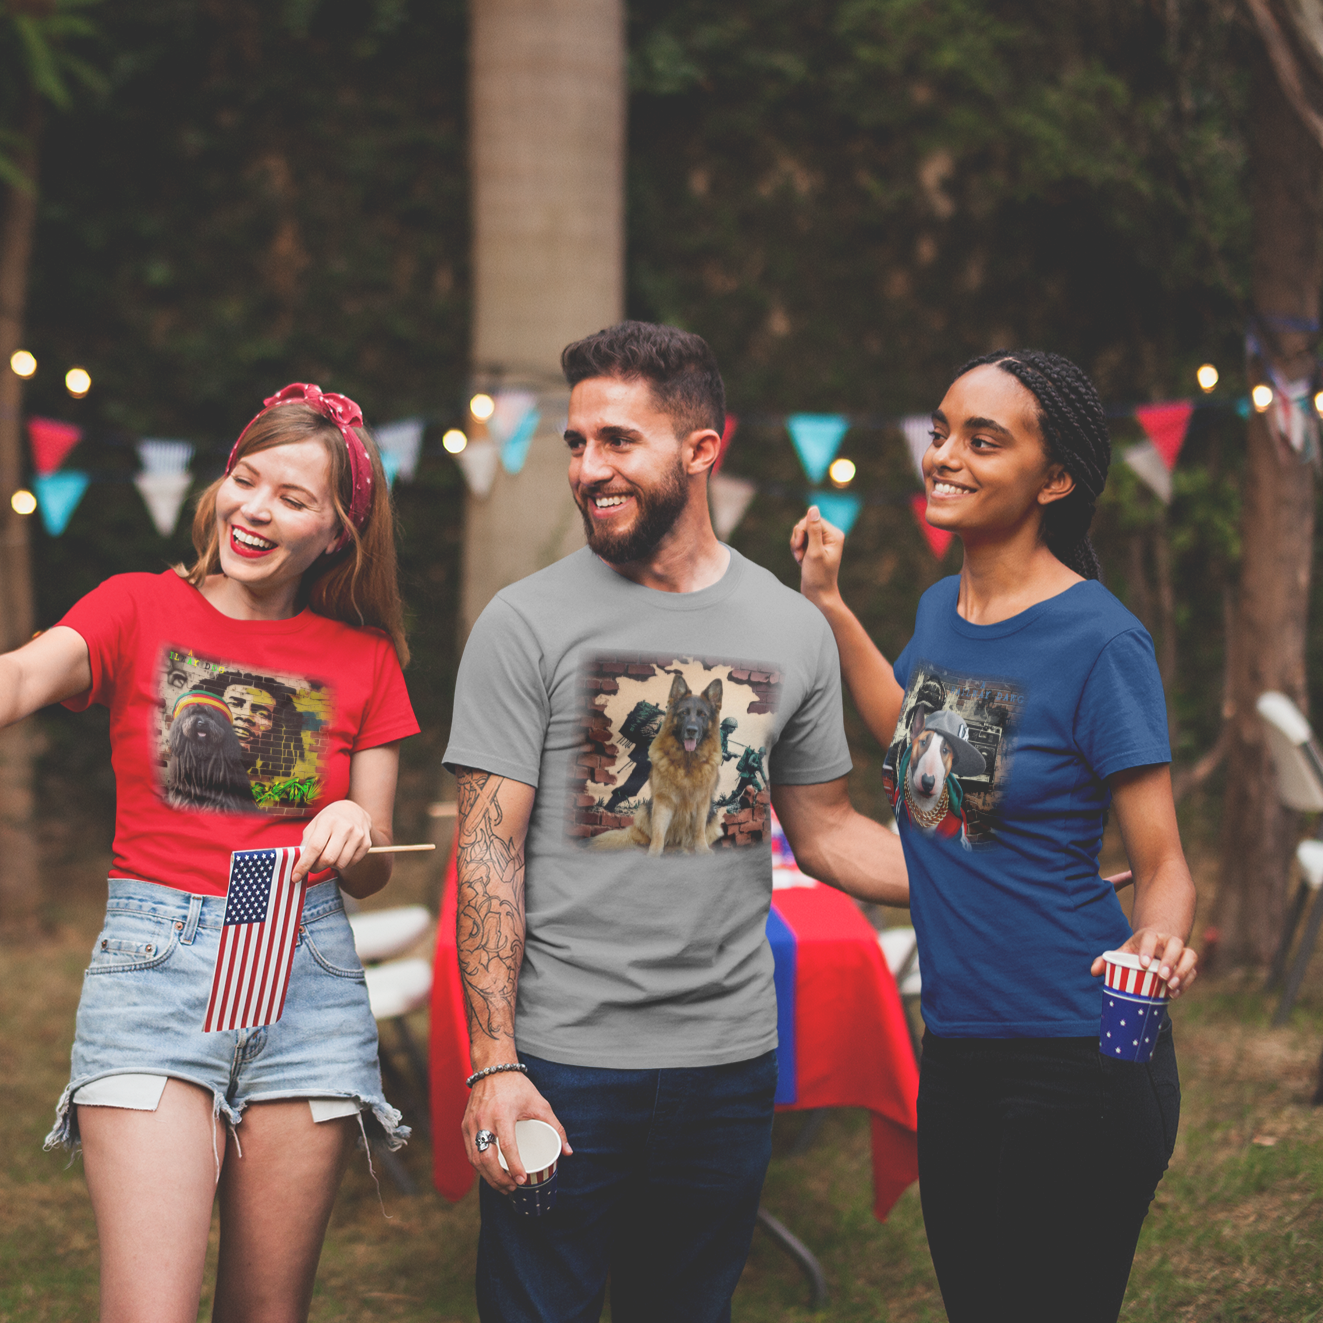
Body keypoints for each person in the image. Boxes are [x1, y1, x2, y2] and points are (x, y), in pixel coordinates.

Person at [445, 320, 908, 1323]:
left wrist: (1007, 879)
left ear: (704, 450)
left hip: (728, 1064)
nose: (587, 468)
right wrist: (495, 1062)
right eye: (576, 442)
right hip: (563, 1062)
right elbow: (486, 849)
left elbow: (827, 832)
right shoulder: (523, 623)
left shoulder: (792, 626)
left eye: (618, 440)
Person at [792, 349, 1199, 1323]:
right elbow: (926, 748)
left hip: (1079, 1050)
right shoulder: (940, 611)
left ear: (1054, 480)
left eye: (985, 439)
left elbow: (1165, 865)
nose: (945, 456)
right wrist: (830, 609)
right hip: (960, 1046)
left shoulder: (1101, 642)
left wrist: (1159, 939)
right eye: (940, 432)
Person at [7, 383, 420, 1323]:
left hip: (305, 976)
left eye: (294, 498)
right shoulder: (134, 607)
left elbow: (374, 860)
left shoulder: (364, 658)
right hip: (155, 970)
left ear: (336, 534)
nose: (257, 508)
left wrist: (354, 834)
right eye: (246, 479)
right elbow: (27, 672)